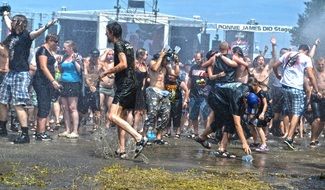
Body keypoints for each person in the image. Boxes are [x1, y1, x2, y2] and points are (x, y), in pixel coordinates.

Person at [0, 11, 56, 143]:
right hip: (11, 73)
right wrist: (5, 14)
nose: (12, 23)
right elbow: (8, 22)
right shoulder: (13, 33)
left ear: (21, 24)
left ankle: (25, 134)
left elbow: (38, 32)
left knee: (18, 104)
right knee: (2, 101)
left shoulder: (26, 36)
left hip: (21, 74)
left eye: (15, 21)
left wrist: (47, 26)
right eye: (12, 22)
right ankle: (2, 128)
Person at [100, 22, 147, 158]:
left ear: (111, 32)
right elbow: (131, 65)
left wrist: (106, 72)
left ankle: (139, 137)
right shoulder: (128, 44)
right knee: (121, 117)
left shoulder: (118, 44)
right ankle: (122, 149)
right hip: (131, 83)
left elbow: (124, 64)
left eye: (107, 31)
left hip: (125, 85)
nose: (105, 34)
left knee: (111, 116)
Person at [273, 44, 320, 150]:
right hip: (296, 88)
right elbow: (311, 75)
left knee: (291, 112)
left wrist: (277, 75)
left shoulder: (287, 54)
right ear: (306, 51)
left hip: (284, 87)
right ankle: (289, 138)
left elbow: (274, 66)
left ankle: (292, 134)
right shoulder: (306, 58)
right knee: (297, 113)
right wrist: (316, 90)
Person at [32, 33, 61, 141]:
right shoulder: (42, 50)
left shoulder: (49, 51)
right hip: (41, 81)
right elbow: (43, 67)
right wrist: (53, 80)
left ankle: (40, 131)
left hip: (46, 82)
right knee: (43, 106)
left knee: (46, 106)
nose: (56, 44)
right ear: (49, 40)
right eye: (55, 42)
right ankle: (41, 133)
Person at [57, 40, 82, 139]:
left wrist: (75, 61)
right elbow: (61, 70)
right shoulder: (64, 57)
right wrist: (59, 63)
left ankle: (75, 131)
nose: (63, 49)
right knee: (64, 108)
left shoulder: (77, 56)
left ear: (71, 48)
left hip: (73, 83)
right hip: (64, 83)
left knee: (72, 108)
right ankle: (67, 129)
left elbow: (80, 70)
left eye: (65, 47)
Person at [78, 48, 101, 131]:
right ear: (90, 56)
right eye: (93, 56)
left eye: (96, 56)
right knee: (83, 109)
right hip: (86, 88)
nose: (94, 58)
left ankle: (96, 127)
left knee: (97, 109)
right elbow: (85, 75)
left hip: (96, 88)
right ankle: (78, 125)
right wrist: (90, 85)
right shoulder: (86, 62)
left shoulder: (100, 63)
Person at [98, 48, 115, 128]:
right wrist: (106, 52)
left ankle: (107, 124)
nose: (110, 56)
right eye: (109, 54)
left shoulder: (114, 64)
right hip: (102, 87)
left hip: (111, 88)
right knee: (100, 106)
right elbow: (100, 60)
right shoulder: (102, 63)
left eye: (112, 54)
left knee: (110, 107)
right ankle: (100, 122)